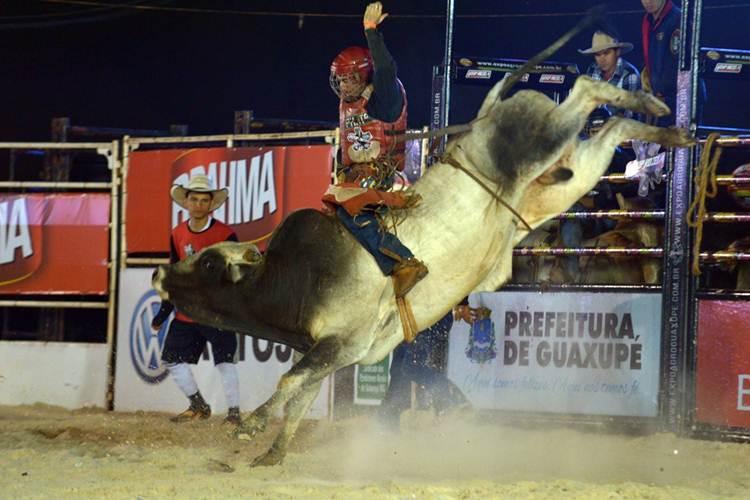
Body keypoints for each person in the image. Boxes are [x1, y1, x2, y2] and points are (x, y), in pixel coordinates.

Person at [323, 1, 427, 299]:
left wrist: (371, 32)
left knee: (349, 212)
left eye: (350, 78)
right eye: (340, 79)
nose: (344, 85)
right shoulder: (347, 102)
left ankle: (402, 260)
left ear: (366, 75)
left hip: (387, 176)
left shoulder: (385, 98)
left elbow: (386, 68)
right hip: (355, 177)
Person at [151, 174, 242, 425]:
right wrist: (164, 312)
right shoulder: (177, 234)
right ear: (186, 202)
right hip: (187, 311)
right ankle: (198, 404)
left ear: (211, 204)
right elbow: (173, 274)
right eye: (195, 199)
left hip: (217, 312)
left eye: (204, 200)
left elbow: (238, 273)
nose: (199, 204)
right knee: (171, 358)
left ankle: (234, 413)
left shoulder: (226, 234)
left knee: (225, 361)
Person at [377, 304, 477, 430]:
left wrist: (463, 305)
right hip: (415, 314)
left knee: (410, 367)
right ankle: (389, 418)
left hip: (430, 314)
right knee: (399, 369)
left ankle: (451, 399)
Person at [579, 30, 641, 122]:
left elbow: (625, 115)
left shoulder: (630, 74)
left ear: (617, 52)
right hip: (593, 128)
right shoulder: (593, 69)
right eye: (598, 55)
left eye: (606, 53)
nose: (602, 59)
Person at [640, 0, 681, 125]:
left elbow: (678, 65)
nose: (648, 1)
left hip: (679, 101)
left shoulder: (678, 19)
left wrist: (661, 91)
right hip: (660, 101)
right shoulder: (648, 21)